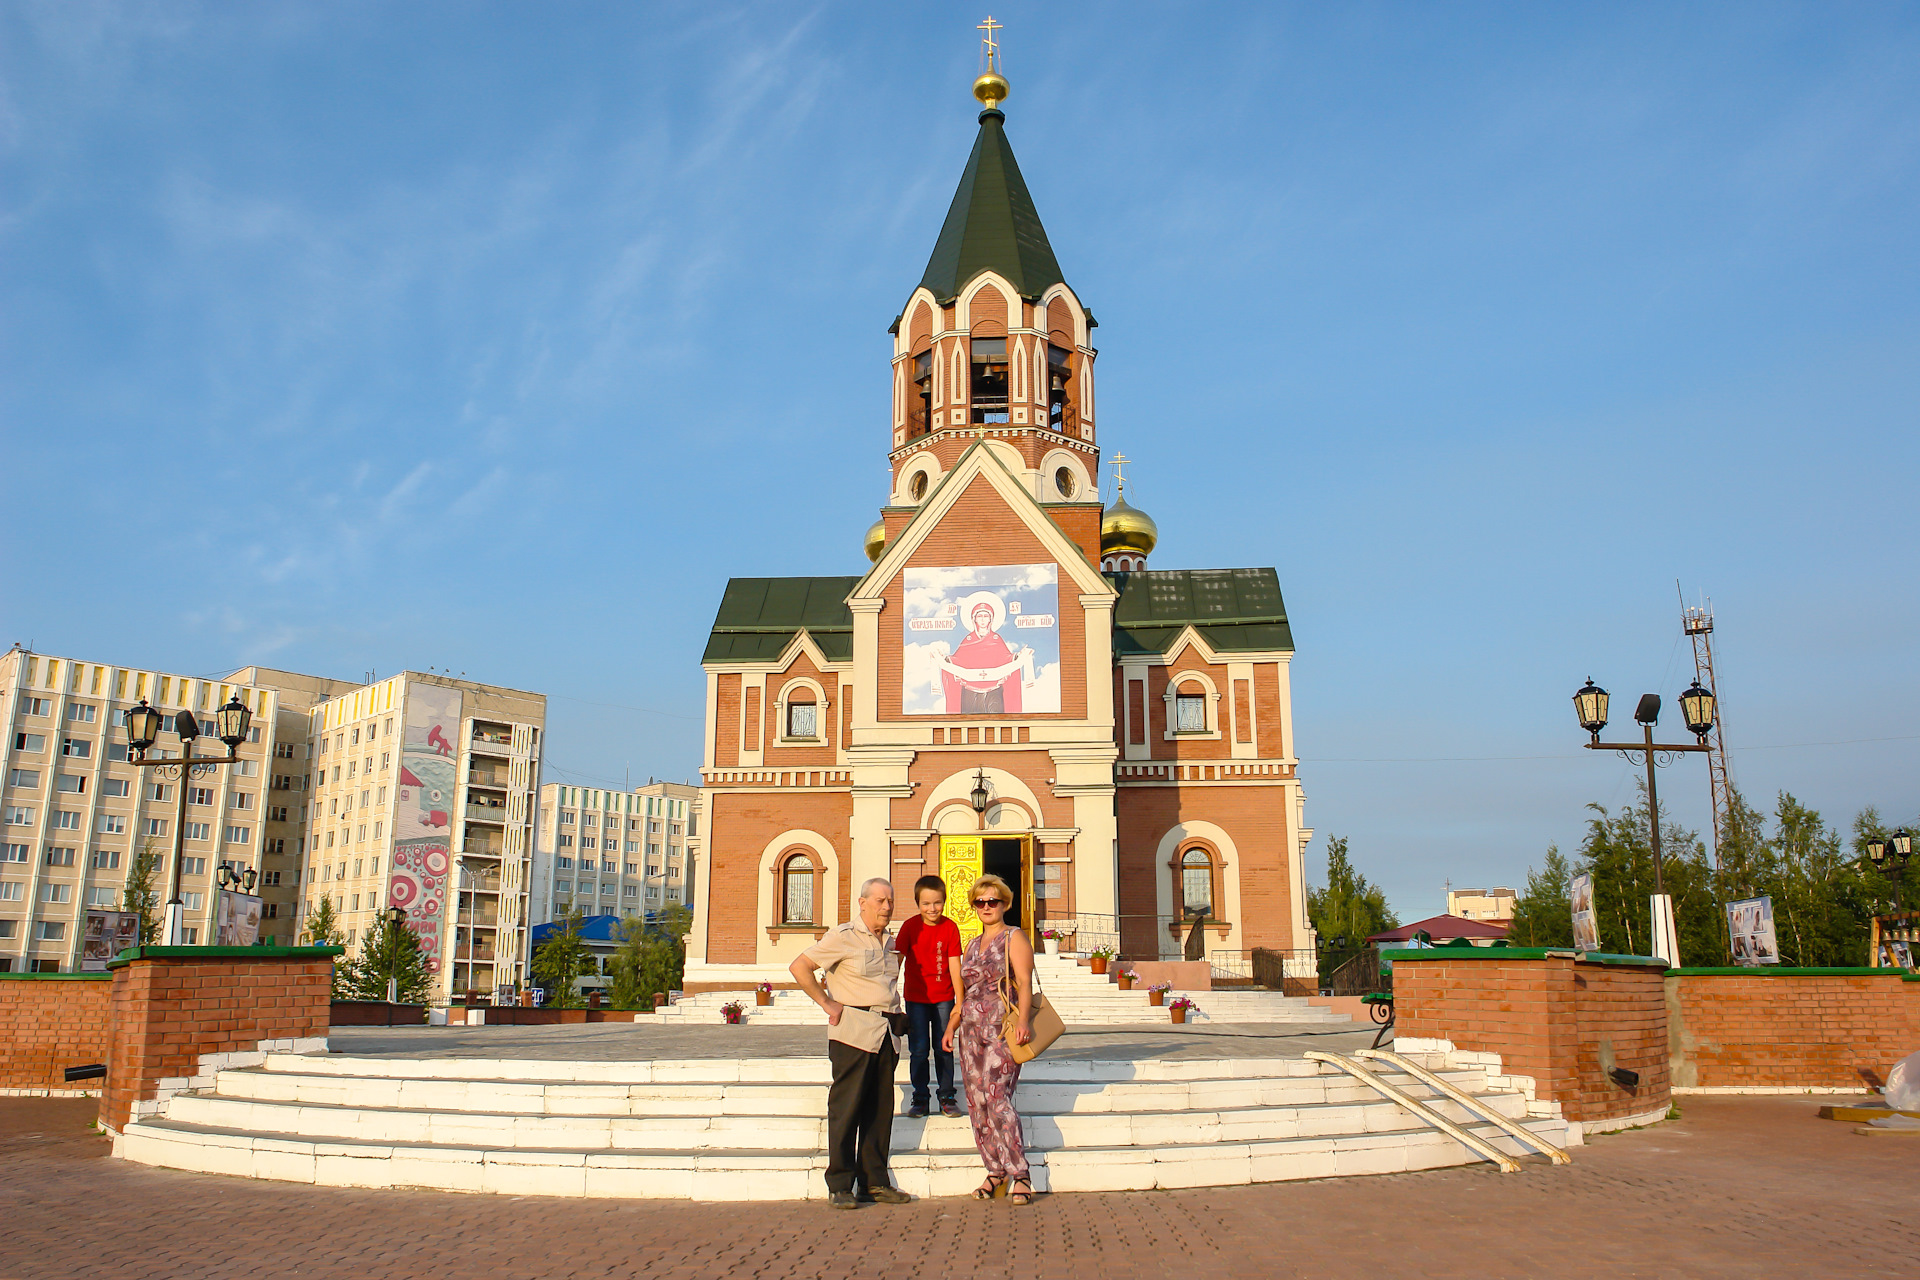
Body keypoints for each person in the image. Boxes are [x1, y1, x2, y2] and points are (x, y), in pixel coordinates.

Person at [789, 877, 911, 1209]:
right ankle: (840, 1184)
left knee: (879, 1110)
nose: (886, 907)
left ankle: (874, 1182)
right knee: (847, 1109)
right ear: (862, 903)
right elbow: (800, 967)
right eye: (880, 901)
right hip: (853, 1033)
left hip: (886, 1034)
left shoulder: (890, 942)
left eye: (890, 901)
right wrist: (827, 1003)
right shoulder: (842, 937)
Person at [941, 873, 1036, 1204]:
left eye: (992, 901)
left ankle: (1020, 1173)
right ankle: (994, 1169)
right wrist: (952, 1027)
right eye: (980, 902)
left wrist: (1023, 1020)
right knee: (977, 1103)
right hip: (970, 1031)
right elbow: (963, 993)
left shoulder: (1014, 937)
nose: (986, 907)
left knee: (998, 1098)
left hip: (1001, 1030)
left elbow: (1024, 982)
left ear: (1005, 903)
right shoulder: (970, 944)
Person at [895, 874, 964, 1119]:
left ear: (944, 901)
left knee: (944, 1048)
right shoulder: (909, 927)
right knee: (919, 1050)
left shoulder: (950, 927)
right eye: (926, 903)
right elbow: (897, 961)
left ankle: (947, 1097)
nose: (932, 908)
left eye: (937, 903)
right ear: (917, 904)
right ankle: (920, 1098)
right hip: (916, 1000)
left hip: (944, 998)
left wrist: (960, 1001)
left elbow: (955, 966)